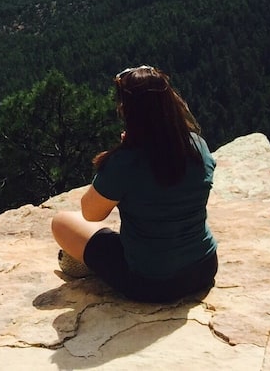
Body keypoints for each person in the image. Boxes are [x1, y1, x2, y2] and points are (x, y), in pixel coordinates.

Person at [50, 65, 217, 303]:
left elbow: (90, 213)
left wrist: (122, 153)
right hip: (204, 267)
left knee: (62, 222)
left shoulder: (125, 162)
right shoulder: (198, 145)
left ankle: (89, 264)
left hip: (152, 283)